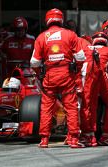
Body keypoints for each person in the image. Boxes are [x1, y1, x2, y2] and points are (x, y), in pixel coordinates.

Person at [30, 8, 86, 148]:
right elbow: (80, 57)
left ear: (47, 20)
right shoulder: (71, 35)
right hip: (67, 75)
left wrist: (40, 74)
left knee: (47, 108)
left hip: (49, 76)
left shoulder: (41, 37)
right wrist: (75, 71)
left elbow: (34, 63)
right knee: (71, 107)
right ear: (61, 19)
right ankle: (73, 139)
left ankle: (44, 140)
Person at [78, 32, 108, 146]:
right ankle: (106, 135)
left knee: (86, 105)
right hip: (102, 76)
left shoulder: (87, 49)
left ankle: (84, 134)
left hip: (88, 77)